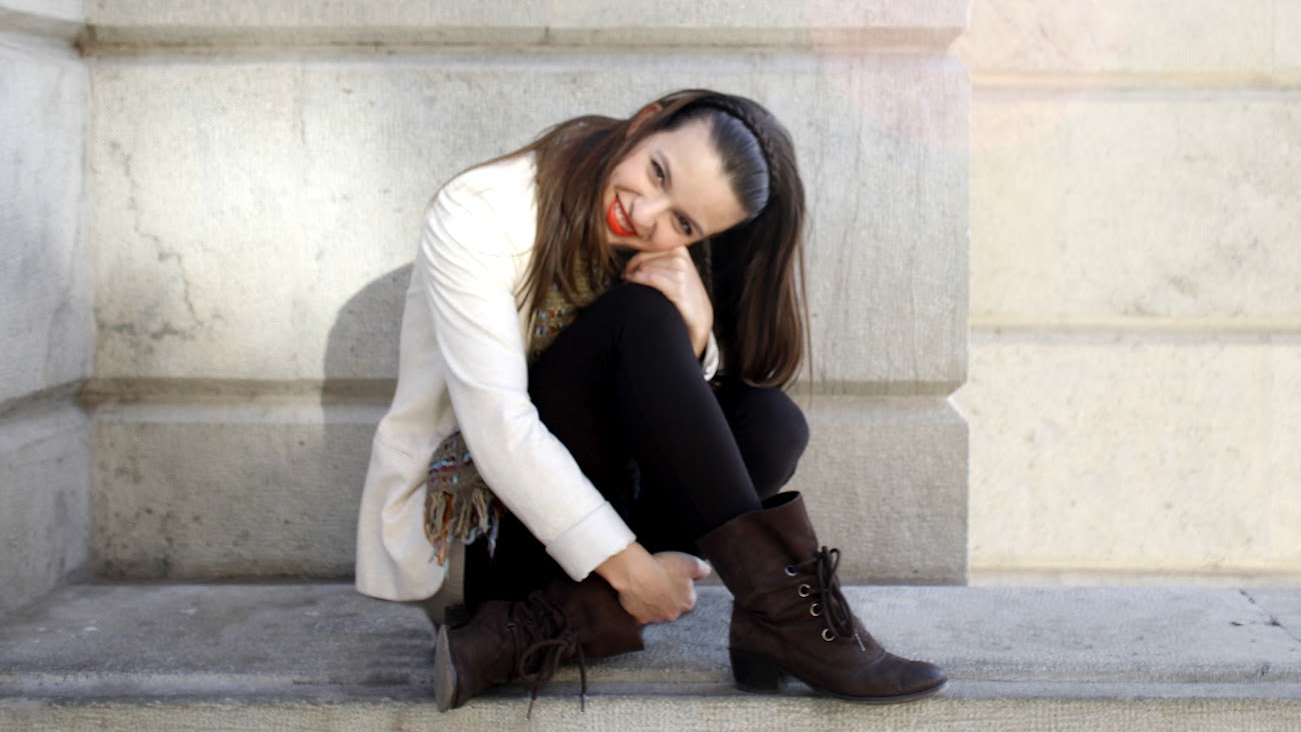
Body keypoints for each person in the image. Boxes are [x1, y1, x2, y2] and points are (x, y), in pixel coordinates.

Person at [354, 89, 945, 710]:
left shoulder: (666, 249)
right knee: (636, 316)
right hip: (488, 540)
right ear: (645, 123)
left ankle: (561, 623)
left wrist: (697, 330)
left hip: (584, 525)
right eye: (657, 173)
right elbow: (501, 429)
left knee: (771, 424)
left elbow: (675, 413)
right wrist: (637, 572)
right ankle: (784, 617)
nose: (644, 215)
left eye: (683, 224)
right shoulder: (480, 210)